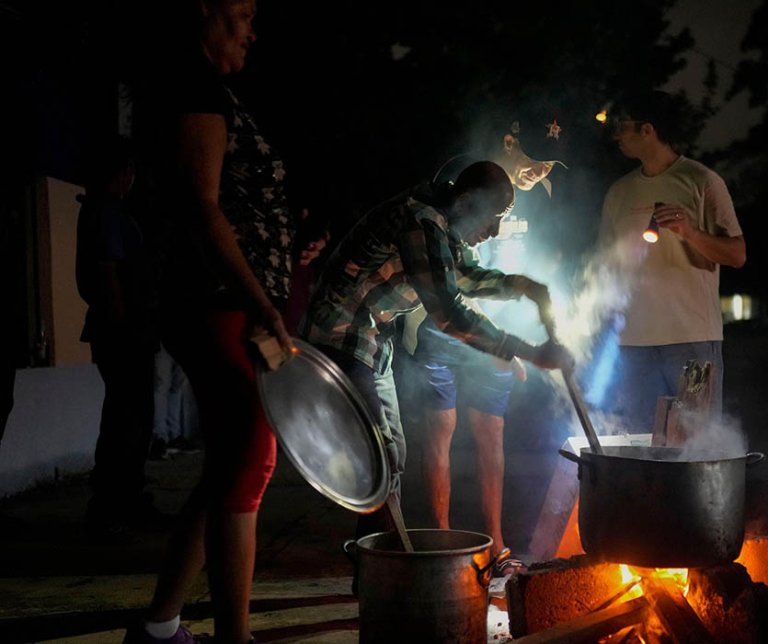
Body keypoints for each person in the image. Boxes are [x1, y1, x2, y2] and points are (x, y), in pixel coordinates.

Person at [125, 1, 297, 642]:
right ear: (202, 9)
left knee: (230, 463)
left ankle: (160, 627)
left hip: (225, 298)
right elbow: (201, 204)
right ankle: (235, 637)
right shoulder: (192, 88)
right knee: (252, 454)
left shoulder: (206, 88)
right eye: (246, 12)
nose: (255, 27)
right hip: (215, 299)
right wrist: (259, 296)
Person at [301, 160, 574, 558]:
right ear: (465, 201)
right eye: (494, 217)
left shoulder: (441, 224)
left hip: (371, 344)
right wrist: (528, 352)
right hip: (342, 338)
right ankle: (383, 570)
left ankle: (378, 568)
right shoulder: (420, 220)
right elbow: (449, 312)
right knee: (382, 459)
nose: (495, 230)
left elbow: (465, 276)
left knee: (392, 459)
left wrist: (523, 287)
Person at [401, 116, 567, 567]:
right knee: (441, 429)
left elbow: (544, 257)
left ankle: (495, 545)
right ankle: (440, 545)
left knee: (490, 433)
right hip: (444, 323)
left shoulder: (542, 200)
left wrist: (516, 332)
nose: (542, 172)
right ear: (510, 142)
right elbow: (449, 280)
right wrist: (514, 347)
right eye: (537, 161)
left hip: (495, 328)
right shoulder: (463, 180)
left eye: (550, 165)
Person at [598, 90, 746, 432]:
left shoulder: (702, 181)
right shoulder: (619, 193)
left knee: (694, 447)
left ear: (647, 130)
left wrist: (691, 233)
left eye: (623, 127)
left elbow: (737, 254)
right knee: (641, 447)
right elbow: (604, 265)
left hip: (692, 343)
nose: (616, 134)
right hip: (634, 346)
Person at [75, 137, 162, 543]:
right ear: (122, 172)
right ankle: (112, 504)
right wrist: (126, 322)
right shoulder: (107, 211)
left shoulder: (103, 210)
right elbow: (109, 272)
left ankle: (124, 499)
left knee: (130, 416)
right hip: (123, 330)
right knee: (126, 418)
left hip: (122, 328)